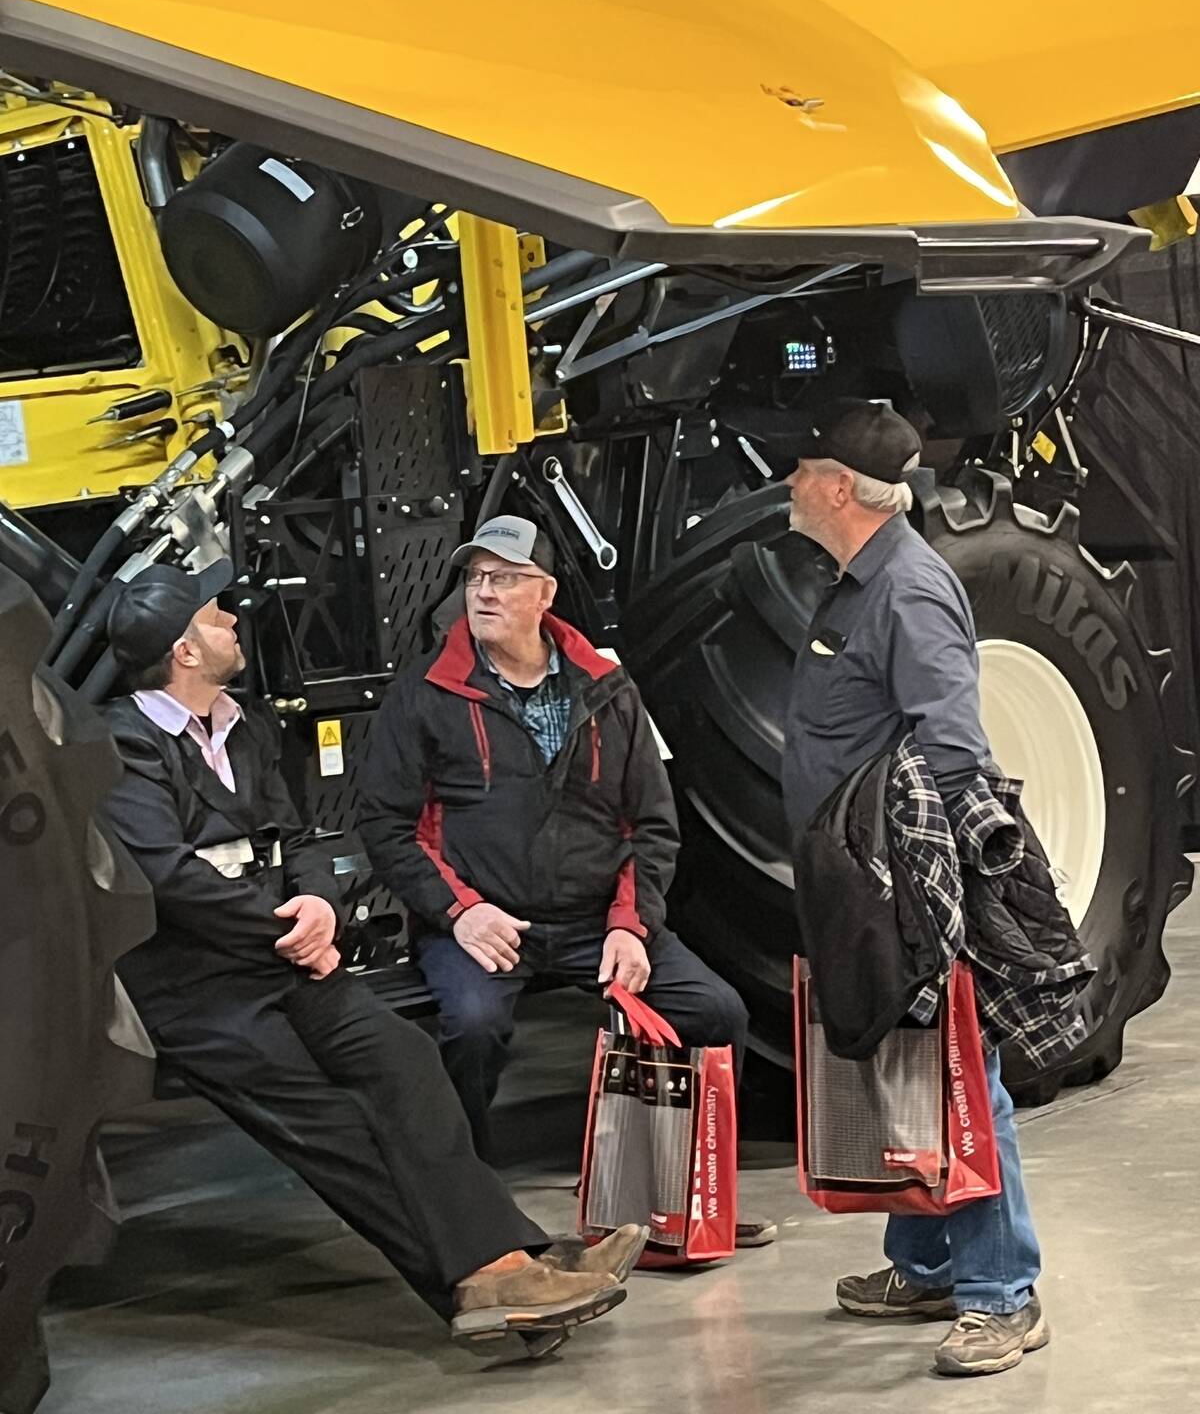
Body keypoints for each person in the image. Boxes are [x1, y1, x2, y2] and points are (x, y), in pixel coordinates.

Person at [100, 559, 644, 1349]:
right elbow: (169, 878)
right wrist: (289, 932)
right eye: (218, 618)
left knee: (405, 1062)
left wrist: (320, 903)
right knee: (336, 1124)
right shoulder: (123, 748)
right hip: (200, 992)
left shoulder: (243, 725)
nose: (233, 624)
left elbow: (300, 839)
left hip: (288, 960)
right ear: (184, 649)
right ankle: (489, 1276)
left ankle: (509, 1253)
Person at [358, 516, 773, 1247]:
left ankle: (685, 1199)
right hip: (487, 925)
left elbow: (650, 823)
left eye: (503, 578)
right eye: (474, 578)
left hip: (593, 921)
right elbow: (387, 825)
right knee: (473, 1027)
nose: (482, 593)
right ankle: (470, 1215)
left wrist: (629, 924)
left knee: (715, 1013)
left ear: (544, 593)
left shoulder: (606, 690)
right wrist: (460, 914)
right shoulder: (427, 693)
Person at [782, 401, 1048, 1377]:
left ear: (842, 488)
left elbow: (953, 745)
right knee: (903, 1074)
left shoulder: (911, 589)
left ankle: (1004, 1294)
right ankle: (928, 1260)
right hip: (854, 880)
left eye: (803, 466)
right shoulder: (856, 581)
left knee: (960, 1080)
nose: (791, 480)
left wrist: (932, 899)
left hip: (904, 888)